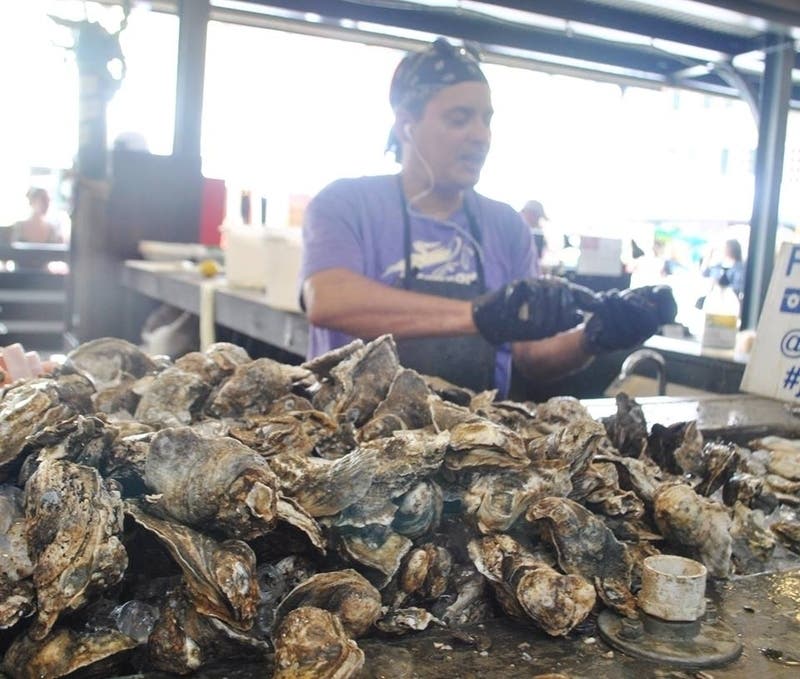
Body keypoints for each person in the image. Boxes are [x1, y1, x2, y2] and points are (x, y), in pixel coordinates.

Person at [300, 38, 675, 397]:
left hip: (474, 443)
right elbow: (329, 300)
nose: (480, 135)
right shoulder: (347, 203)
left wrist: (593, 338)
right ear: (406, 125)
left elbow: (531, 357)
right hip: (353, 443)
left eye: (486, 119)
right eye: (459, 119)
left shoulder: (506, 226)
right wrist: (479, 315)